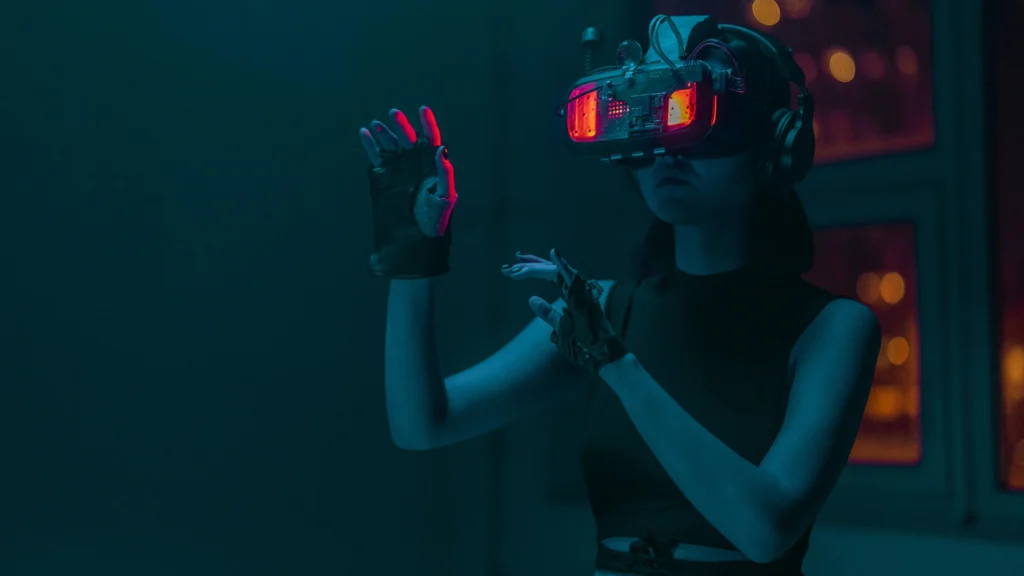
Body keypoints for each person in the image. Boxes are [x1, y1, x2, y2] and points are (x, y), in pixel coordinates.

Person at [357, 14, 881, 576]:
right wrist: (412, 257)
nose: (667, 153)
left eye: (693, 120)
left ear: (775, 147)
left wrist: (619, 365)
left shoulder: (831, 328)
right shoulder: (604, 311)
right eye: (650, 123)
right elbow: (421, 423)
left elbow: (766, 529)